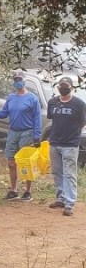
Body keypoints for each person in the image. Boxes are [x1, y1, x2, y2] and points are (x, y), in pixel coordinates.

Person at [0, 70, 42, 200]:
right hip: (13, 132)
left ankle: (28, 191)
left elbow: (37, 118)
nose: (18, 82)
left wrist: (37, 136)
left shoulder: (32, 98)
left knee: (26, 163)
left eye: (20, 79)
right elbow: (4, 113)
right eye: (15, 80)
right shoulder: (11, 97)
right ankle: (13, 189)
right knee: (11, 161)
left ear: (24, 81)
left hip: (27, 132)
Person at [47, 76, 86, 216]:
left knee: (69, 174)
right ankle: (61, 198)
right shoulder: (53, 102)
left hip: (70, 144)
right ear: (58, 88)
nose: (63, 88)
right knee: (57, 173)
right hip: (55, 143)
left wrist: (73, 135)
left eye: (66, 86)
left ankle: (70, 203)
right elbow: (52, 119)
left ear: (71, 87)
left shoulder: (79, 104)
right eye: (61, 86)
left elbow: (83, 123)